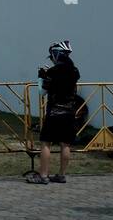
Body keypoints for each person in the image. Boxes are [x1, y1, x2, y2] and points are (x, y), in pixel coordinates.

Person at [31, 40, 80, 184]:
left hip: (54, 111)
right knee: (65, 144)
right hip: (70, 110)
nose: (51, 59)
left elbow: (42, 92)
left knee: (46, 142)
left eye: (52, 56)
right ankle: (61, 175)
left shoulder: (53, 71)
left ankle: (43, 175)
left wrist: (41, 76)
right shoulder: (75, 70)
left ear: (56, 54)